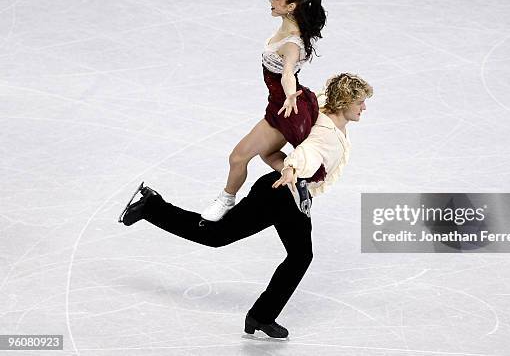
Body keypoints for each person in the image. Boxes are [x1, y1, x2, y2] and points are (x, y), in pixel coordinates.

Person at [118, 73, 373, 338]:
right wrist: (292, 168)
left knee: (299, 256)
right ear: (343, 103)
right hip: (278, 195)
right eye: (360, 103)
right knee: (217, 237)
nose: (364, 108)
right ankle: (150, 206)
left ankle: (261, 316)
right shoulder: (325, 133)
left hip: (291, 195)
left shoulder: (328, 112)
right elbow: (308, 154)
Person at [201, 0, 327, 221]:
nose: (271, 0)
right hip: (282, 105)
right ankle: (298, 182)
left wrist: (290, 94)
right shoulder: (292, 25)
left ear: (291, 7)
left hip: (285, 110)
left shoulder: (291, 43)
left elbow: (288, 72)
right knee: (268, 154)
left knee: (238, 157)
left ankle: (226, 199)